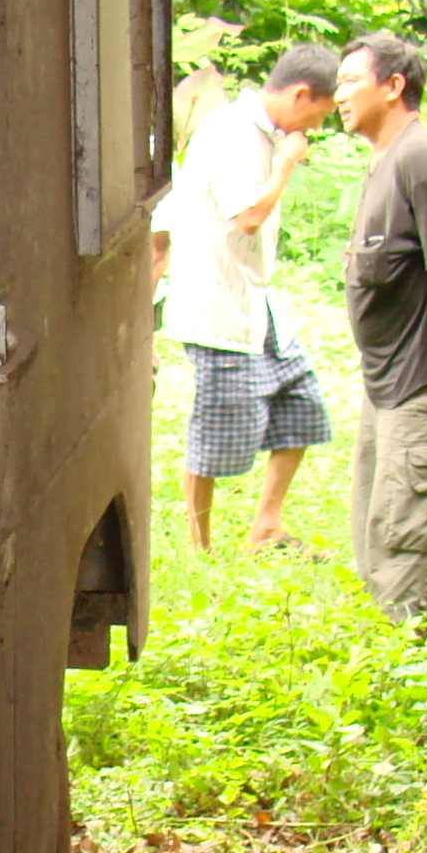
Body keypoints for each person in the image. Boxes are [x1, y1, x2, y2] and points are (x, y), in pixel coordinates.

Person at [157, 43, 340, 552]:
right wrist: (285, 165)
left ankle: (266, 526)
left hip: (256, 302)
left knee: (302, 405)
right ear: (301, 95)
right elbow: (249, 217)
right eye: (321, 113)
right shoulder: (232, 135)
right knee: (214, 433)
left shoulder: (266, 135)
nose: (318, 126)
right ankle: (200, 546)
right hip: (215, 305)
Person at [338, 31, 427, 621]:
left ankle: (413, 645)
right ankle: (390, 640)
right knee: (378, 523)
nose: (339, 94)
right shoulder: (385, 160)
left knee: (407, 532)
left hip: (423, 376)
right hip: (386, 379)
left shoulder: (422, 158)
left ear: (393, 86)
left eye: (351, 81)